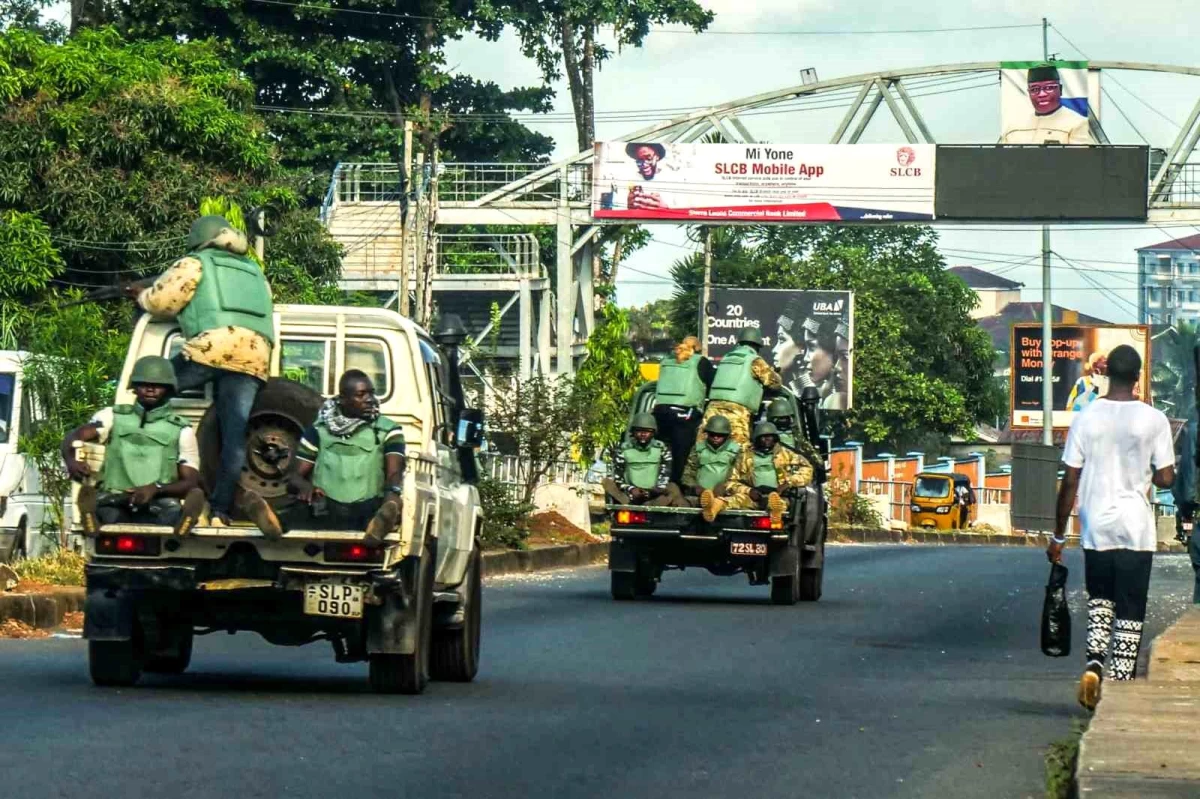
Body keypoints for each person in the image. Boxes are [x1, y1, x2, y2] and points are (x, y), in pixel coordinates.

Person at [1047, 344, 1175, 711]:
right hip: (1136, 529)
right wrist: (1161, 473)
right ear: (1137, 378)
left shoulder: (1085, 418)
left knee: (1101, 601)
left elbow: (1069, 480)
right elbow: (1165, 477)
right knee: (1131, 609)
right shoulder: (1154, 420)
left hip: (1096, 528)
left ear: (1106, 375)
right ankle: (1118, 684)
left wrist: (1058, 536)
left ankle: (1093, 664)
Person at [134, 215, 275, 527]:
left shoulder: (197, 262)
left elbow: (163, 302)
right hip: (255, 356)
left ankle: (148, 484)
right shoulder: (255, 272)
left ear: (200, 240)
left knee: (149, 391)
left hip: (212, 346)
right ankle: (220, 512)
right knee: (234, 437)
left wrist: (140, 295)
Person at [63, 356, 206, 537]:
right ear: (134, 387)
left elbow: (191, 482)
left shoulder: (181, 430)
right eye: (143, 383)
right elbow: (75, 436)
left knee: (169, 516)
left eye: (158, 385)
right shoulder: (112, 416)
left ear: (169, 389)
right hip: (115, 497)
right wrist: (71, 460)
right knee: (110, 516)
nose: (150, 389)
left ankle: (185, 520)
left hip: (159, 501)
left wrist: (155, 489)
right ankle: (91, 516)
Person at [267, 370, 406, 544]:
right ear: (342, 400)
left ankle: (380, 524)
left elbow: (395, 472)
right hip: (326, 507)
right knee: (300, 509)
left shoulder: (388, 429)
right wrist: (305, 487)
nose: (370, 399)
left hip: (367, 507)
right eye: (361, 395)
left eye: (372, 393)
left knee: (382, 508)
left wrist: (392, 496)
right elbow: (294, 477)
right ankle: (272, 523)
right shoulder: (318, 430)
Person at [699, 327, 782, 447]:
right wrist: (776, 374)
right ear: (758, 345)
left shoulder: (726, 358)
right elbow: (774, 384)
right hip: (736, 412)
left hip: (712, 410)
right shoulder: (755, 360)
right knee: (739, 453)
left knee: (704, 448)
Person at [652, 335, 715, 484]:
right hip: (685, 415)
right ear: (696, 349)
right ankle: (676, 486)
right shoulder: (701, 362)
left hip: (659, 413)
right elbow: (713, 384)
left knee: (659, 453)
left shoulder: (666, 361)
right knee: (683, 456)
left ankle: (656, 484)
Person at [727, 422, 815, 526]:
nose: (767, 439)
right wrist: (749, 491)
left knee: (778, 504)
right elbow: (730, 483)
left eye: (770, 437)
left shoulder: (786, 454)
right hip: (753, 496)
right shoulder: (744, 457)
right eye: (763, 437)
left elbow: (808, 469)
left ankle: (775, 513)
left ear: (775, 438)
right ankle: (711, 510)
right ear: (756, 439)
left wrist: (789, 483)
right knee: (730, 501)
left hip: (778, 496)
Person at [602, 413, 682, 507]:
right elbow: (618, 478)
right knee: (607, 482)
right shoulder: (623, 449)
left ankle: (650, 506)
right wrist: (631, 489)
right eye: (639, 431)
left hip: (655, 493)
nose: (643, 434)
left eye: (647, 431)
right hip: (629, 494)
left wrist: (653, 491)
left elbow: (665, 475)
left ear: (653, 433)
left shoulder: (662, 448)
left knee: (673, 487)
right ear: (633, 432)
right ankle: (629, 505)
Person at [1001, 63, 1093, 145]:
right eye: (1034, 89)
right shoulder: (1013, 127)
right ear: (1029, 92)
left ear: (1060, 90)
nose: (1042, 94)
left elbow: (1081, 161)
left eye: (1049, 88)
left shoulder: (1078, 123)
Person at [682, 415, 745, 522]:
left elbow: (740, 475)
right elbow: (688, 473)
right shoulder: (698, 448)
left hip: (725, 495)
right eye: (712, 434)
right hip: (700, 495)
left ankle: (713, 506)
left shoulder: (737, 450)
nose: (716, 437)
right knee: (682, 503)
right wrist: (694, 487)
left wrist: (726, 486)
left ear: (726, 436)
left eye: (720, 435)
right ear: (707, 434)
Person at [766, 398, 824, 469]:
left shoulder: (796, 433)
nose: (784, 420)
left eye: (786, 418)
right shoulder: (767, 436)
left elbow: (807, 447)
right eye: (780, 418)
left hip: (795, 467)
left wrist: (818, 460)